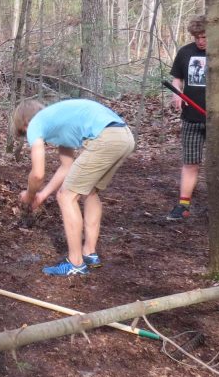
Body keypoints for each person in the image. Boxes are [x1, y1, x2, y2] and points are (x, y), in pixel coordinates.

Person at [11, 98, 136, 276]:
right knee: (90, 191)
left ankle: (75, 263)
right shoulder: (59, 121)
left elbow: (38, 174)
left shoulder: (35, 123)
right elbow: (66, 166)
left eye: (24, 132)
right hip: (124, 136)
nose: (27, 135)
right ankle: (89, 254)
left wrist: (30, 194)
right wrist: (43, 195)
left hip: (107, 138)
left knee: (66, 196)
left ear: (25, 122)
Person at [166, 15, 219, 221]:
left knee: (216, 163)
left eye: (205, 36)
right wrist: (176, 94)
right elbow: (177, 78)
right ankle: (183, 205)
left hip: (218, 121)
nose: (201, 41)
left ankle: (217, 206)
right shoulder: (185, 52)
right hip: (191, 118)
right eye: (198, 37)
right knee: (190, 162)